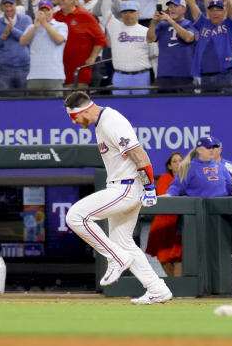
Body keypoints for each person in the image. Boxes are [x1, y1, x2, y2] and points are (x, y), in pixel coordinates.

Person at [63, 91, 173, 306]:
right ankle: (157, 289)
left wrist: (150, 186)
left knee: (75, 216)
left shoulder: (111, 120)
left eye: (74, 117)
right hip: (123, 186)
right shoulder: (102, 123)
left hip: (126, 187)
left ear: (84, 110)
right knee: (123, 242)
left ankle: (115, 258)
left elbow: (138, 153)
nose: (74, 122)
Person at [146, 152, 185, 277]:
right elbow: (166, 199)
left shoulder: (188, 179)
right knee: (164, 257)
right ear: (169, 166)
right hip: (164, 223)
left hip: (180, 224)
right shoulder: (164, 178)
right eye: (174, 161)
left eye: (180, 160)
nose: (178, 163)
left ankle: (178, 288)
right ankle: (174, 286)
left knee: (179, 256)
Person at [165, 136, 232, 198]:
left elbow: (230, 186)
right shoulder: (189, 167)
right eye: (208, 147)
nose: (211, 150)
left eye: (213, 147)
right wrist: (169, 195)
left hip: (221, 208)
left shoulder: (221, 166)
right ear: (199, 150)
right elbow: (177, 186)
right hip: (199, 209)